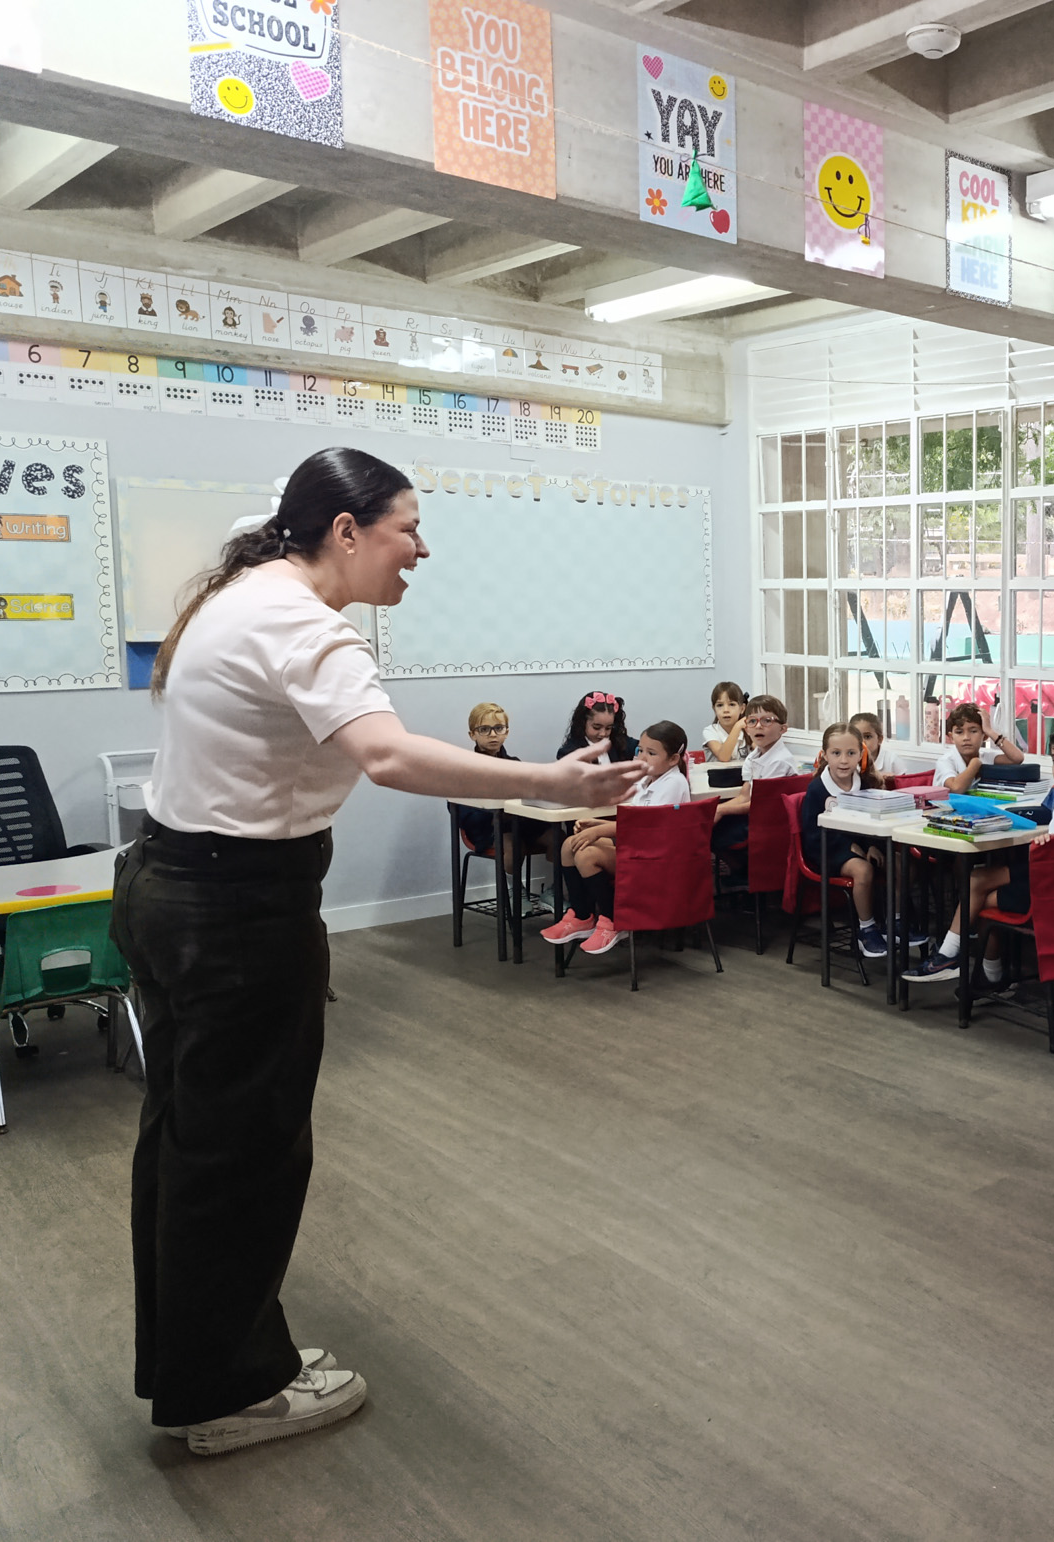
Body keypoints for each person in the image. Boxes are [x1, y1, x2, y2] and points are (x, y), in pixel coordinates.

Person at [113, 447, 643, 1455]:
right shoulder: (304, 626)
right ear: (347, 530)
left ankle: (197, 1367)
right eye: (409, 527)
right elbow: (389, 755)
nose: (422, 549)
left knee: (189, 1141)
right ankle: (226, 1393)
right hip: (236, 914)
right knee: (243, 1152)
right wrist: (549, 781)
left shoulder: (242, 590)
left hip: (169, 887)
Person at [909, 722, 1054, 986]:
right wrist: (1049, 843)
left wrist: (1051, 845)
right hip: (1051, 875)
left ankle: (978, 969)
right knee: (976, 879)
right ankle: (961, 961)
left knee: (981, 900)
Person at [542, 721, 693, 954]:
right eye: (640, 750)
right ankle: (582, 915)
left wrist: (601, 830)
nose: (642, 758)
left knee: (587, 855)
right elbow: (636, 820)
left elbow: (646, 826)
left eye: (651, 753)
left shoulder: (674, 783)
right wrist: (598, 824)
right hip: (639, 851)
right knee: (570, 844)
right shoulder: (646, 779)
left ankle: (613, 919)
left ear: (673, 759)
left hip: (657, 861)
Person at [796, 722, 893, 959]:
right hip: (827, 852)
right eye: (836, 753)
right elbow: (811, 835)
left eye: (850, 753)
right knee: (863, 870)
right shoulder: (817, 789)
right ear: (824, 755)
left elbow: (874, 822)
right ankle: (866, 929)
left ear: (860, 754)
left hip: (862, 848)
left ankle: (896, 922)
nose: (843, 760)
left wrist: (872, 846)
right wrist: (849, 847)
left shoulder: (866, 784)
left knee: (899, 863)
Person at [449, 702, 548, 870]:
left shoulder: (514, 764)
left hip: (519, 824)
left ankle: (558, 886)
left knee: (558, 838)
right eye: (484, 729)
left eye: (499, 728)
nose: (493, 734)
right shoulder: (465, 771)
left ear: (506, 732)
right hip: (486, 830)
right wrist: (496, 815)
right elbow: (461, 814)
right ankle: (513, 886)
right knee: (513, 845)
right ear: (472, 734)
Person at [712, 694, 800, 858]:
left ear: (782, 729)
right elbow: (745, 795)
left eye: (767, 720)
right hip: (755, 815)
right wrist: (715, 810)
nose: (758, 726)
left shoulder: (779, 761)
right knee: (708, 823)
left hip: (770, 824)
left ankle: (741, 869)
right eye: (752, 721)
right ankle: (738, 868)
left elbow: (760, 805)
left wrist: (722, 810)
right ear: (746, 728)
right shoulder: (754, 755)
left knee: (717, 833)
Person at [934, 701, 1025, 793]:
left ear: (984, 736)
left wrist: (990, 731)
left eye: (973, 731)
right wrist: (975, 764)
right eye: (959, 732)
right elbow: (956, 788)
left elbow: (1017, 758)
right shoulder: (945, 761)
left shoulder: (986, 757)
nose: (966, 738)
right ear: (951, 737)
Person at [558, 690, 632, 763]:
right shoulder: (569, 754)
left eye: (608, 728)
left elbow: (637, 745)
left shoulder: (618, 742)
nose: (603, 733)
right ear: (583, 722)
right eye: (596, 728)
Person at [702, 681, 750, 764]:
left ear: (742, 708)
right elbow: (724, 757)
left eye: (731, 704)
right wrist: (737, 727)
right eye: (720, 705)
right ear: (714, 709)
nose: (726, 710)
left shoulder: (748, 730)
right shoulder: (710, 731)